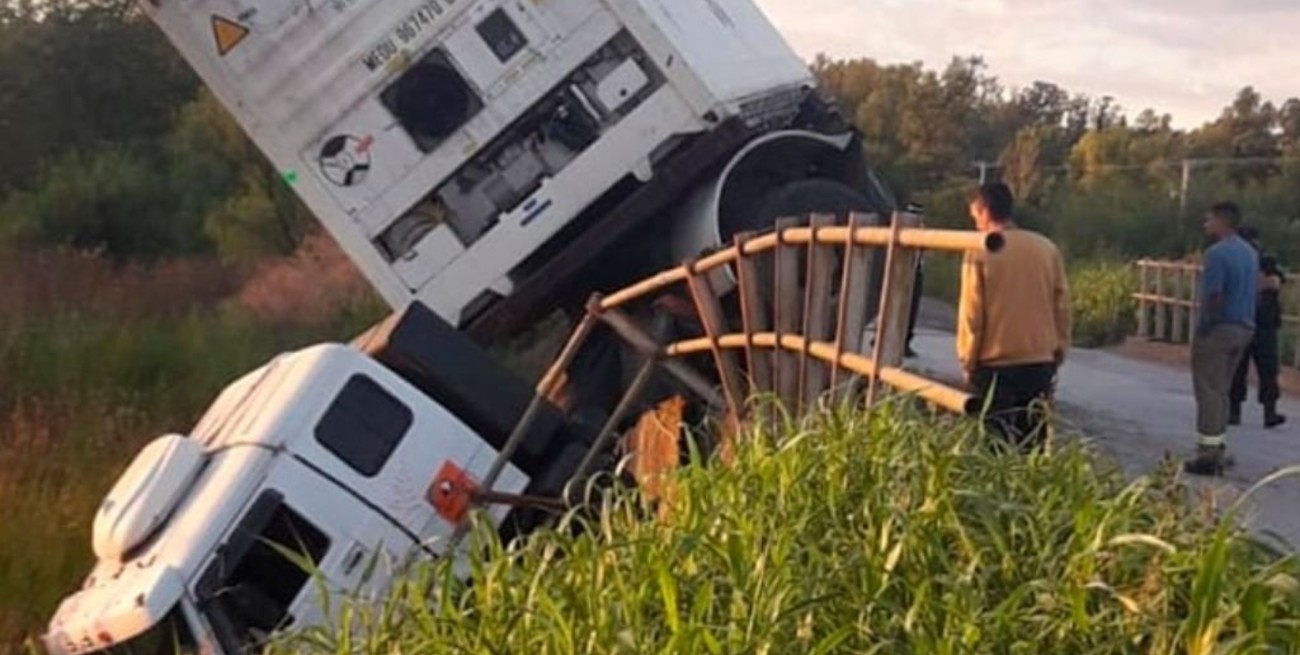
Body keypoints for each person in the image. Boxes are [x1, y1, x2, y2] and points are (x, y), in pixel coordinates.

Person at [957, 183, 1071, 450]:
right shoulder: (1046, 248)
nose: (976, 224)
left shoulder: (979, 251)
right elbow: (1062, 306)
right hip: (1039, 361)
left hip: (994, 363)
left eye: (975, 216)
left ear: (984, 211)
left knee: (994, 445)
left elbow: (972, 313)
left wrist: (968, 359)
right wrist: (1060, 349)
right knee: (1032, 444)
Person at [1185, 202, 1258, 476]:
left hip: (1219, 329)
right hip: (1244, 328)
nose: (1206, 225)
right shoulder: (1249, 252)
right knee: (1222, 390)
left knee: (1208, 391)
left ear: (1221, 221)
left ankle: (1208, 455)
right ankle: (1219, 445)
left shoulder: (1216, 254)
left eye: (1209, 220)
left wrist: (1206, 325)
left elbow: (1215, 294)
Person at [1229, 226, 1287, 429]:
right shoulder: (1233, 262)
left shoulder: (1267, 262)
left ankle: (1269, 411)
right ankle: (1234, 410)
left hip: (1264, 324)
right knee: (1237, 368)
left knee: (1268, 368)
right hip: (1241, 320)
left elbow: (1275, 282)